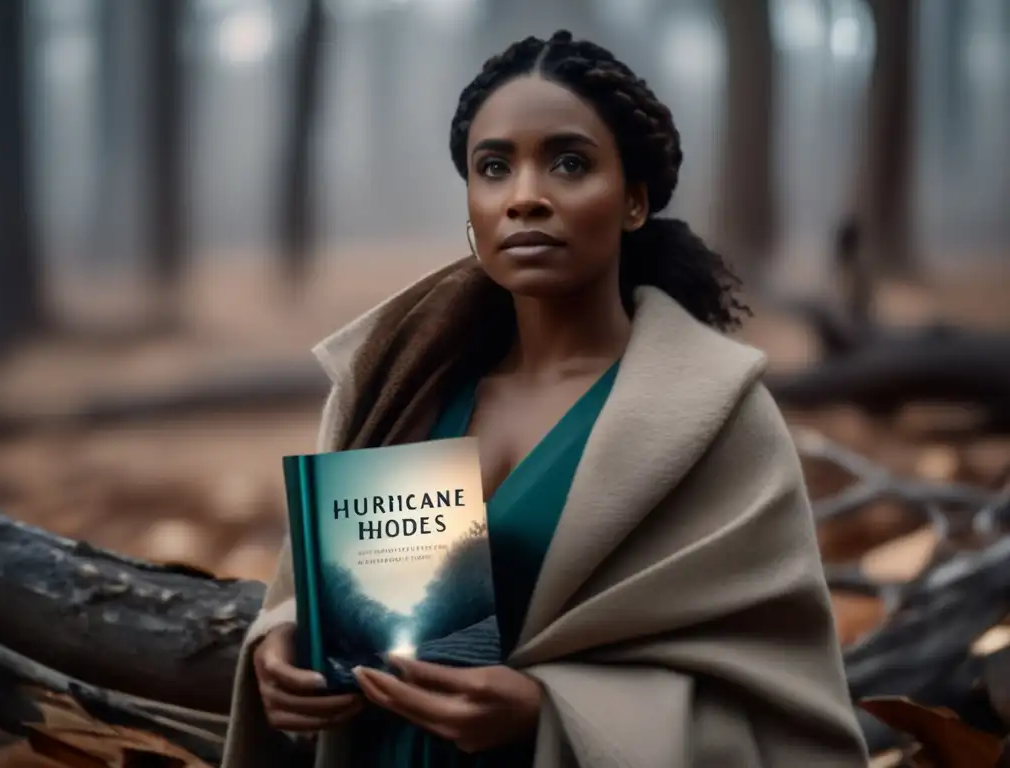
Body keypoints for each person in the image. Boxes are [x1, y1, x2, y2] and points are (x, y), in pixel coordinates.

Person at [221, 30, 869, 768]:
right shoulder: (394, 384)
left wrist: (550, 713)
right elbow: (307, 593)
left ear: (633, 201)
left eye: (569, 163)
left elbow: (785, 712)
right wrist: (281, 642)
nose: (526, 197)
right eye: (494, 168)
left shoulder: (717, 420)